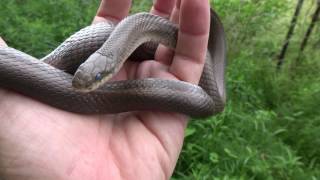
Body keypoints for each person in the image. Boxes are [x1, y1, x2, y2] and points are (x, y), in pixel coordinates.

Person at [0, 0, 210, 179]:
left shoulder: (132, 34)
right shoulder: (124, 37)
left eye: (97, 79)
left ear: (114, 67)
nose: (84, 87)